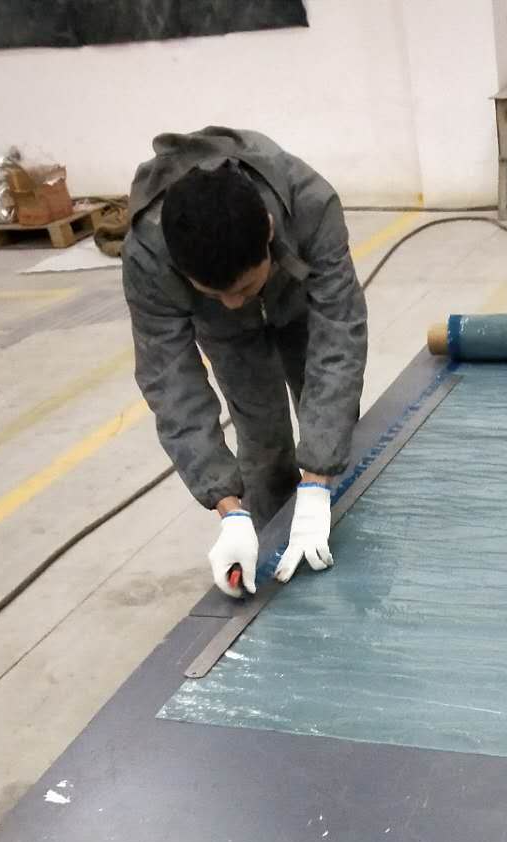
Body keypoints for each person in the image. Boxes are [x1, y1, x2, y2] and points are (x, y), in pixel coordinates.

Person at [122, 127, 368, 597]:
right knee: (262, 441)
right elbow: (170, 382)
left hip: (297, 301)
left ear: (269, 232)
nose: (235, 302)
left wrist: (318, 481)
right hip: (223, 333)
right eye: (218, 293)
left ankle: (328, 524)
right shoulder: (149, 256)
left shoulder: (310, 205)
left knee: (330, 417)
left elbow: (339, 337)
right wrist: (228, 509)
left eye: (244, 288)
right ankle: (269, 554)